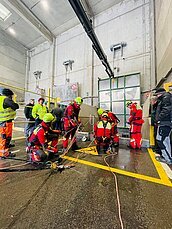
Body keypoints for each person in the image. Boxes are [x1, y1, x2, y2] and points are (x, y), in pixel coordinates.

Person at [153, 88, 172, 165]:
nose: (157, 97)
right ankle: (168, 157)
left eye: (157, 95)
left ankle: (167, 159)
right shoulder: (167, 97)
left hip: (164, 123)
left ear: (160, 93)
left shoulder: (166, 98)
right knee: (165, 140)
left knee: (161, 140)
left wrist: (158, 119)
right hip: (166, 123)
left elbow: (166, 110)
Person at [0, 88, 19, 158]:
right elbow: (15, 106)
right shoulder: (6, 99)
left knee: (3, 138)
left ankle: (4, 151)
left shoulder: (1, 99)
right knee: (5, 138)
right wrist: (14, 103)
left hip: (3, 122)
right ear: (9, 95)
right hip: (5, 122)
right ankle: (3, 153)